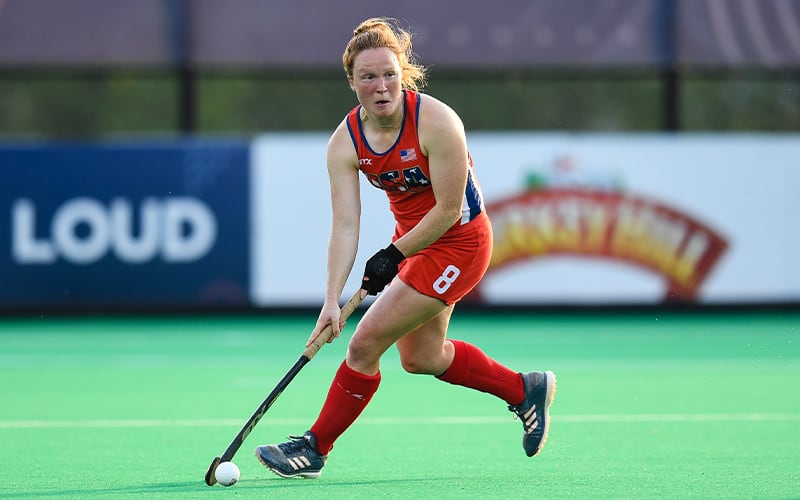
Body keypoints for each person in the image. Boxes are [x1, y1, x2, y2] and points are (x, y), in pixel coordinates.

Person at [255, 17, 556, 479]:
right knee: (422, 359)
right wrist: (332, 299)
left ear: (404, 73)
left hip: (459, 244)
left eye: (389, 74)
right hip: (415, 247)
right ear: (352, 82)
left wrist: (394, 256)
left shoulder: (437, 123)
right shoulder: (346, 142)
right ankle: (524, 389)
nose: (381, 86)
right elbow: (346, 223)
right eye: (368, 77)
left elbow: (449, 210)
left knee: (365, 343)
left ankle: (315, 448)